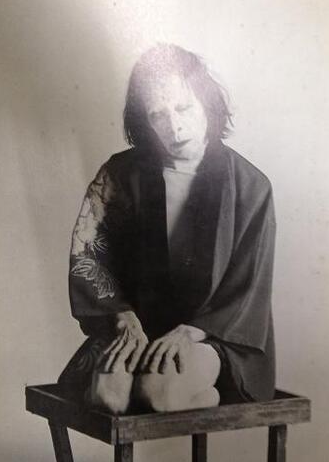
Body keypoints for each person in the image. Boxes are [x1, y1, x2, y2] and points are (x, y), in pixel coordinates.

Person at [58, 43, 276, 415]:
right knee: (108, 397)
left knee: (160, 394)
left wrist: (192, 331)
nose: (173, 127)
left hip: (214, 335)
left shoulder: (251, 186)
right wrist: (121, 317)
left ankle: (210, 395)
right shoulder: (120, 174)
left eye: (184, 108)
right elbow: (90, 255)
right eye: (157, 114)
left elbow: (249, 284)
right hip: (138, 325)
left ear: (206, 101)